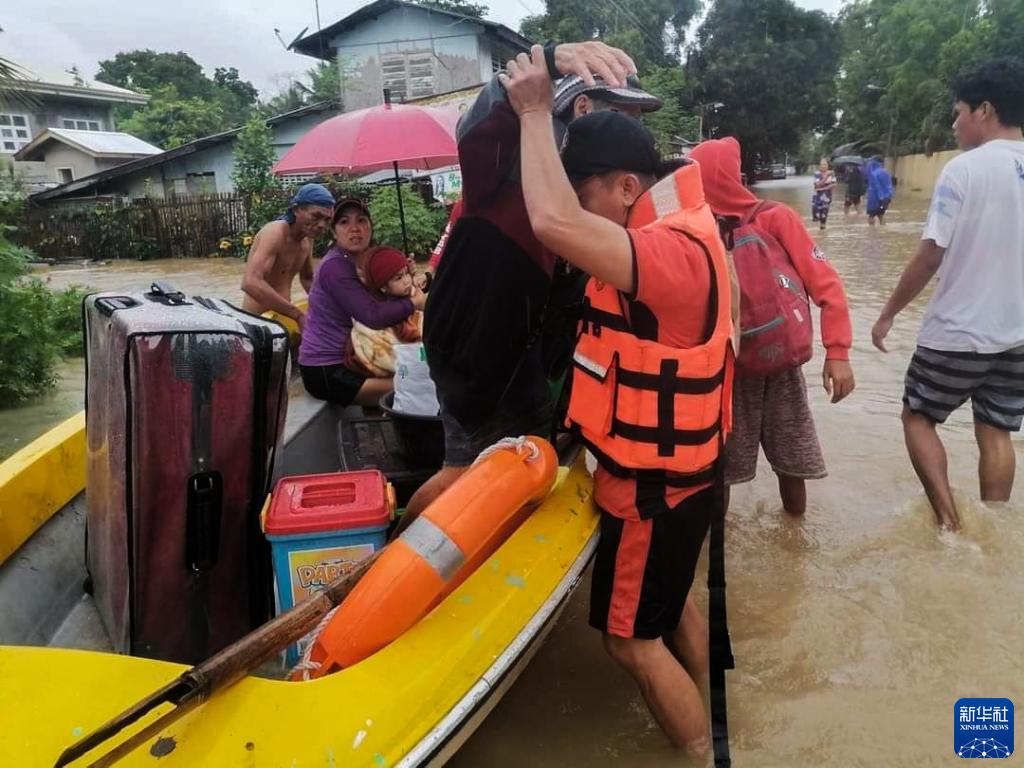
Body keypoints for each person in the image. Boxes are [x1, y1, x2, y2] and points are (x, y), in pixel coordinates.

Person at [501, 47, 734, 756]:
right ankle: (721, 719)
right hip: (687, 477)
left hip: (653, 492)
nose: (581, 213)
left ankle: (697, 752)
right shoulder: (687, 228)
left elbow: (551, 222)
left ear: (629, 186)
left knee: (629, 642)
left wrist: (533, 110)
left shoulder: (667, 254)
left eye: (587, 195)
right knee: (673, 604)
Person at [398, 41, 660, 531]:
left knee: (525, 465)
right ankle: (397, 546)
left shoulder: (599, 182)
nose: (634, 128)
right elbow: (475, 127)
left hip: (530, 356)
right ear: (583, 108)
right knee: (464, 473)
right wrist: (551, 57)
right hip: (474, 347)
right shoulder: (512, 155)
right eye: (625, 114)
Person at [871, 56, 1024, 532]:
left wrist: (887, 314)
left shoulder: (964, 170)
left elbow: (930, 254)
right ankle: (992, 530)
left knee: (917, 417)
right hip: (1016, 336)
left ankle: (949, 525)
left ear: (984, 109)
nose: (954, 124)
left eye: (958, 112)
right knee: (996, 432)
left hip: (956, 332)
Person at [689, 137, 855, 516]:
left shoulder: (699, 228)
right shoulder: (775, 216)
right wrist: (838, 352)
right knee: (790, 459)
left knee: (721, 469)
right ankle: (795, 536)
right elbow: (826, 283)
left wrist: (838, 350)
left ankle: (720, 545)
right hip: (779, 361)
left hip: (729, 369)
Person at [298, 198, 426, 407]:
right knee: (421, 383)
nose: (354, 228)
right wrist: (414, 302)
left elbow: (384, 296)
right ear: (334, 232)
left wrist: (402, 276)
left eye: (361, 220)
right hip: (328, 369)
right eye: (344, 222)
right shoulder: (334, 267)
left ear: (370, 227)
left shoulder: (365, 262)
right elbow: (373, 316)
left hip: (357, 358)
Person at [241, 183, 335, 327]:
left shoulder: (307, 239)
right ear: (296, 209)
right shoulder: (275, 233)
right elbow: (250, 283)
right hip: (255, 322)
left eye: (327, 220)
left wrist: (330, 309)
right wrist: (298, 315)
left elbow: (307, 278)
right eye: (316, 216)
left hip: (283, 320)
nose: (322, 225)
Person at [865, 156, 894, 225]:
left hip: (875, 200)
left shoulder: (874, 173)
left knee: (871, 216)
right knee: (880, 214)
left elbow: (876, 186)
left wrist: (880, 197)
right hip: (885, 199)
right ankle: (883, 229)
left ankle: (872, 230)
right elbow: (889, 185)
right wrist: (887, 197)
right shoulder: (886, 172)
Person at [811, 158, 836, 230]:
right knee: (816, 211)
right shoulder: (817, 174)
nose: (823, 166)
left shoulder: (831, 173)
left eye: (825, 164)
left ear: (828, 165)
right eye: (821, 164)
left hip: (827, 196)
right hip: (817, 196)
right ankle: (819, 224)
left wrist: (823, 188)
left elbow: (833, 184)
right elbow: (817, 185)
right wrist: (825, 177)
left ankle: (823, 227)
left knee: (824, 211)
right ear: (819, 166)